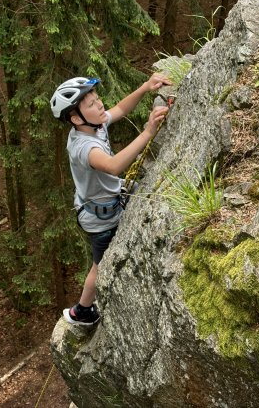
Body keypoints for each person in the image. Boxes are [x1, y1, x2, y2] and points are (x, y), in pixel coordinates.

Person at [50, 73, 171, 325]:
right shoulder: (84, 147)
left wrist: (144, 87)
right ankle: (81, 311)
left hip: (107, 201)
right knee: (99, 264)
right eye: (92, 103)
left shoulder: (93, 123)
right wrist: (149, 131)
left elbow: (120, 109)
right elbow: (114, 166)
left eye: (97, 98)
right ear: (75, 118)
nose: (100, 104)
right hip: (100, 219)